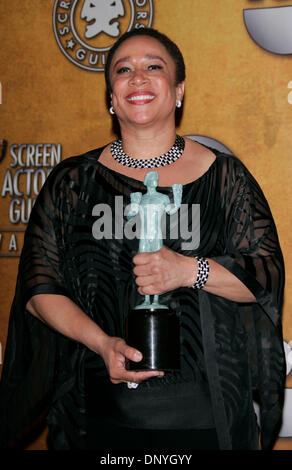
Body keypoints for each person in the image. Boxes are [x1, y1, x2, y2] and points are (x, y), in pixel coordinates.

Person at [0, 28, 286, 451]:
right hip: (93, 416)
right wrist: (102, 343)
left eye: (154, 67)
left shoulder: (226, 179)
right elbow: (39, 288)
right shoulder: (72, 182)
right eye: (123, 70)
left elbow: (265, 276)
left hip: (206, 417)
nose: (138, 78)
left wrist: (189, 270)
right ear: (111, 97)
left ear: (178, 90)